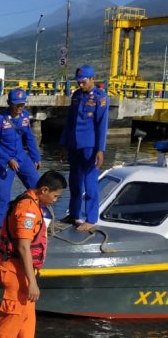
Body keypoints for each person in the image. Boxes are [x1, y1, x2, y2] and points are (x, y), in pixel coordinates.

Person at [0, 170, 67, 338]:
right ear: (44, 190)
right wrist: (32, 282)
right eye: (55, 196)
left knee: (27, 318)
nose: (55, 201)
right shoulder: (27, 209)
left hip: (25, 270)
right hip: (16, 271)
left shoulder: (33, 204)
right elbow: (24, 246)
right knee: (13, 317)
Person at [59, 64, 109, 232]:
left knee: (90, 183)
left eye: (83, 82)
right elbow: (70, 122)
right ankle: (74, 214)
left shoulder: (100, 98)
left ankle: (91, 218)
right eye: (78, 82)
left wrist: (100, 149)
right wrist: (64, 145)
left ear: (92, 79)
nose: (80, 85)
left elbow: (102, 125)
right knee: (74, 182)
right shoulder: (76, 96)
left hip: (90, 145)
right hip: (74, 145)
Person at [0, 88, 41, 231]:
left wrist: (35, 157)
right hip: (4, 160)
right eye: (17, 105)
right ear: (9, 103)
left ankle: (38, 219)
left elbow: (29, 137)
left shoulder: (24, 116)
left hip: (21, 157)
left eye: (22, 104)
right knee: (2, 196)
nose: (19, 108)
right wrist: (8, 159)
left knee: (38, 187)